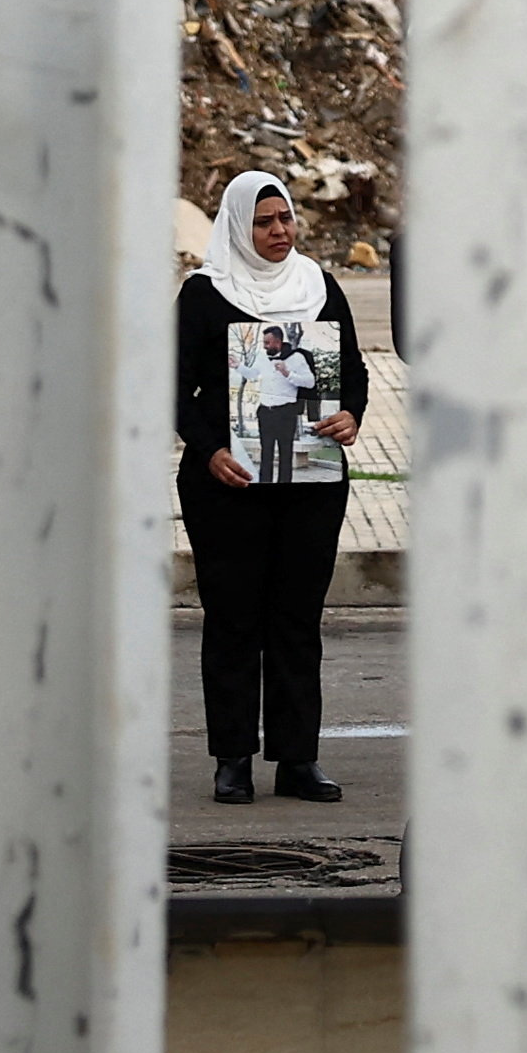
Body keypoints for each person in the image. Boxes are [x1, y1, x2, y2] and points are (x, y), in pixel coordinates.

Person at [179, 169, 362, 805]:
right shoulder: (206, 294)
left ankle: (297, 758)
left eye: (285, 218)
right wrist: (211, 451)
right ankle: (233, 756)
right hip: (229, 486)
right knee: (232, 619)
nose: (279, 231)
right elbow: (179, 390)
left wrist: (350, 417)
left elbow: (354, 374)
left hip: (310, 483)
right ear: (237, 226)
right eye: (264, 222)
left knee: (296, 619)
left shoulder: (319, 287)